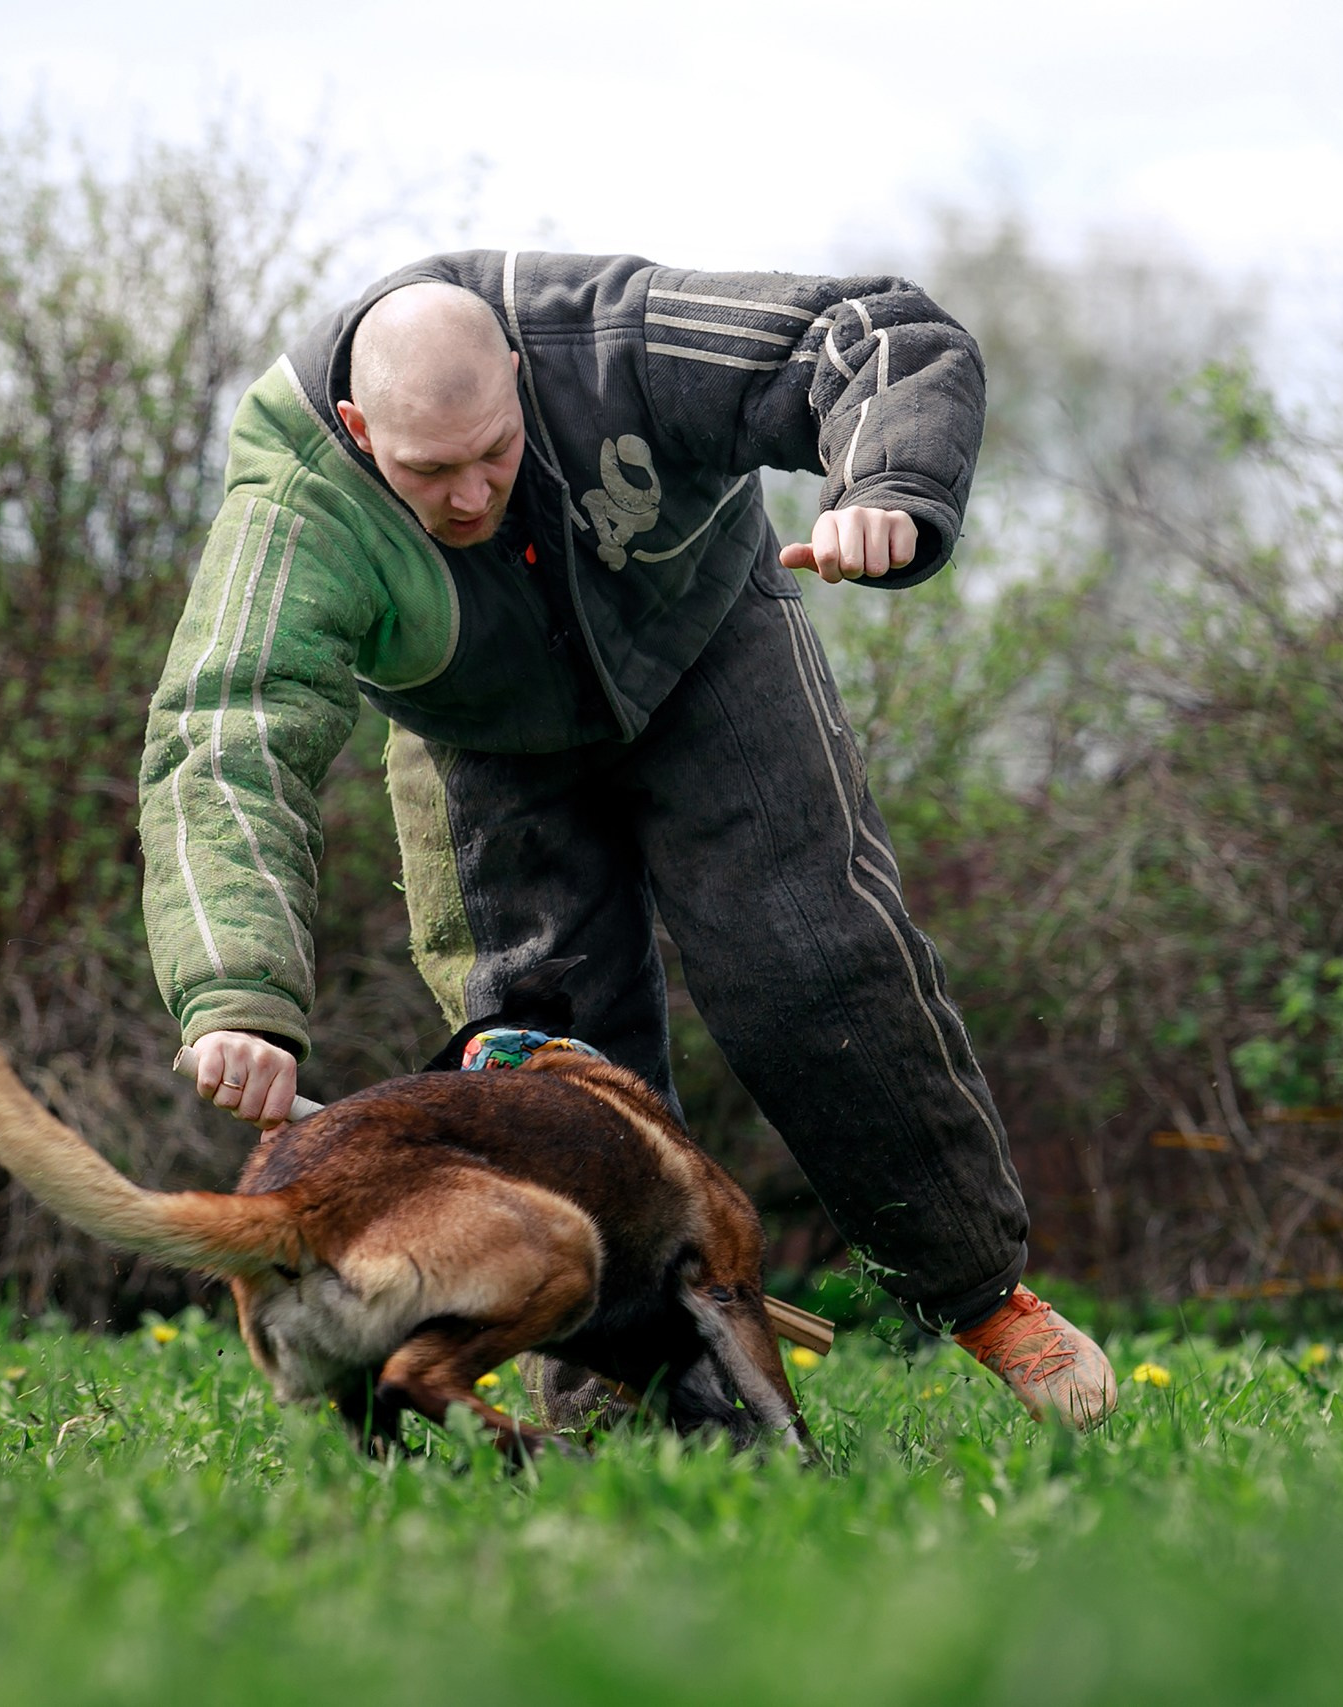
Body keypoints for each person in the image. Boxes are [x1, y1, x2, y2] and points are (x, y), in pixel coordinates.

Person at [136, 251, 1115, 1427]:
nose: (467, 497)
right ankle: (615, 1405)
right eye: (426, 470)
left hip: (706, 638)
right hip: (477, 733)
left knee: (805, 964)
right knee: (542, 1054)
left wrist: (884, 486)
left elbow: (871, 330)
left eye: (493, 452)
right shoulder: (294, 505)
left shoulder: (610, 337)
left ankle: (981, 1297)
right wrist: (236, 993)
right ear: (356, 426)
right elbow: (225, 738)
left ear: (516, 366)